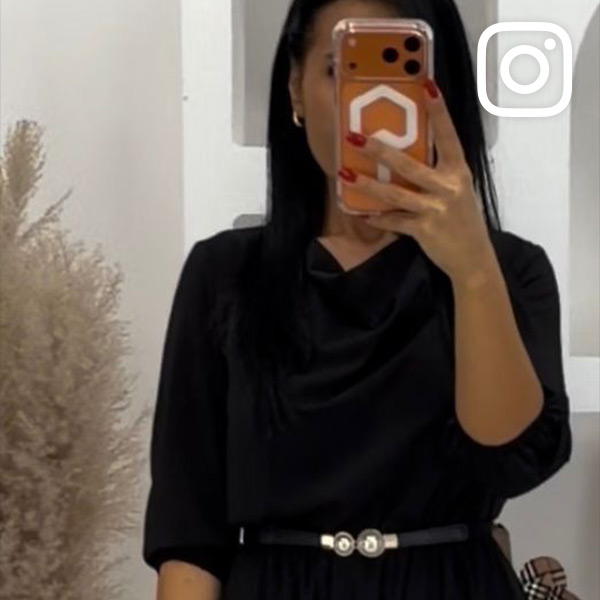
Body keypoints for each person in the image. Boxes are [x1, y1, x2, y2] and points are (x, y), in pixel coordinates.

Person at [142, 0, 573, 598]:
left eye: (405, 72)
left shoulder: (508, 271)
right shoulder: (225, 274)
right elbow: (190, 533)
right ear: (294, 88)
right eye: (341, 69)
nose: (374, 105)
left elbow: (511, 455)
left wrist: (473, 269)